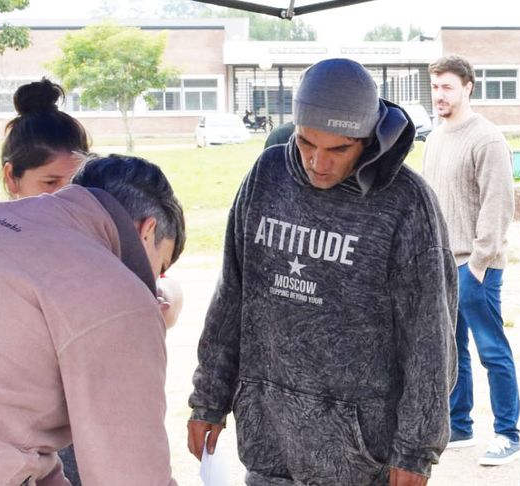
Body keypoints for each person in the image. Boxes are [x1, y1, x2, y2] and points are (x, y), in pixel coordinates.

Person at [187, 58, 457, 486]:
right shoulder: (266, 176)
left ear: (367, 140)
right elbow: (232, 296)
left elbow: (429, 338)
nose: (317, 162)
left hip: (360, 456)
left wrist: (416, 449)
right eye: (306, 143)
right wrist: (208, 401)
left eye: (339, 149)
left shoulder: (407, 204)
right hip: (268, 441)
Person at [0, 154, 184, 485]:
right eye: (160, 267)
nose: (155, 285)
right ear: (148, 231)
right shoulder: (116, 289)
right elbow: (130, 476)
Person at [422, 55, 520, 465]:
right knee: (451, 349)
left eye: (447, 86)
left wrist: (479, 262)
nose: (439, 95)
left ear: (468, 87)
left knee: (491, 350)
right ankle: (458, 426)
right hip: (442, 263)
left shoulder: (488, 139)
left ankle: (507, 433)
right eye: (435, 87)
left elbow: (499, 203)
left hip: (475, 265)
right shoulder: (434, 137)